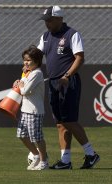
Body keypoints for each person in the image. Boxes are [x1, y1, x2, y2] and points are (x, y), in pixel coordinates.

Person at [37, 5, 100, 169]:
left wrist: (67, 76)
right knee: (60, 123)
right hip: (53, 82)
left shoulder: (72, 34)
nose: (47, 24)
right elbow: (36, 56)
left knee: (69, 120)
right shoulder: (45, 36)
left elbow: (79, 58)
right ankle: (65, 161)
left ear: (59, 19)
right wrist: (27, 67)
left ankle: (91, 154)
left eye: (50, 20)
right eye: (46, 21)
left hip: (67, 82)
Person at [13, 45, 48, 170]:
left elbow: (25, 90)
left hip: (34, 111)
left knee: (37, 138)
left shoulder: (37, 73)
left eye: (28, 60)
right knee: (21, 134)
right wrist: (18, 82)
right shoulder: (28, 73)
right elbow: (22, 86)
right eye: (25, 60)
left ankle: (44, 162)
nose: (26, 62)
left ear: (37, 61)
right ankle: (36, 155)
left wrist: (21, 85)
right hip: (25, 110)